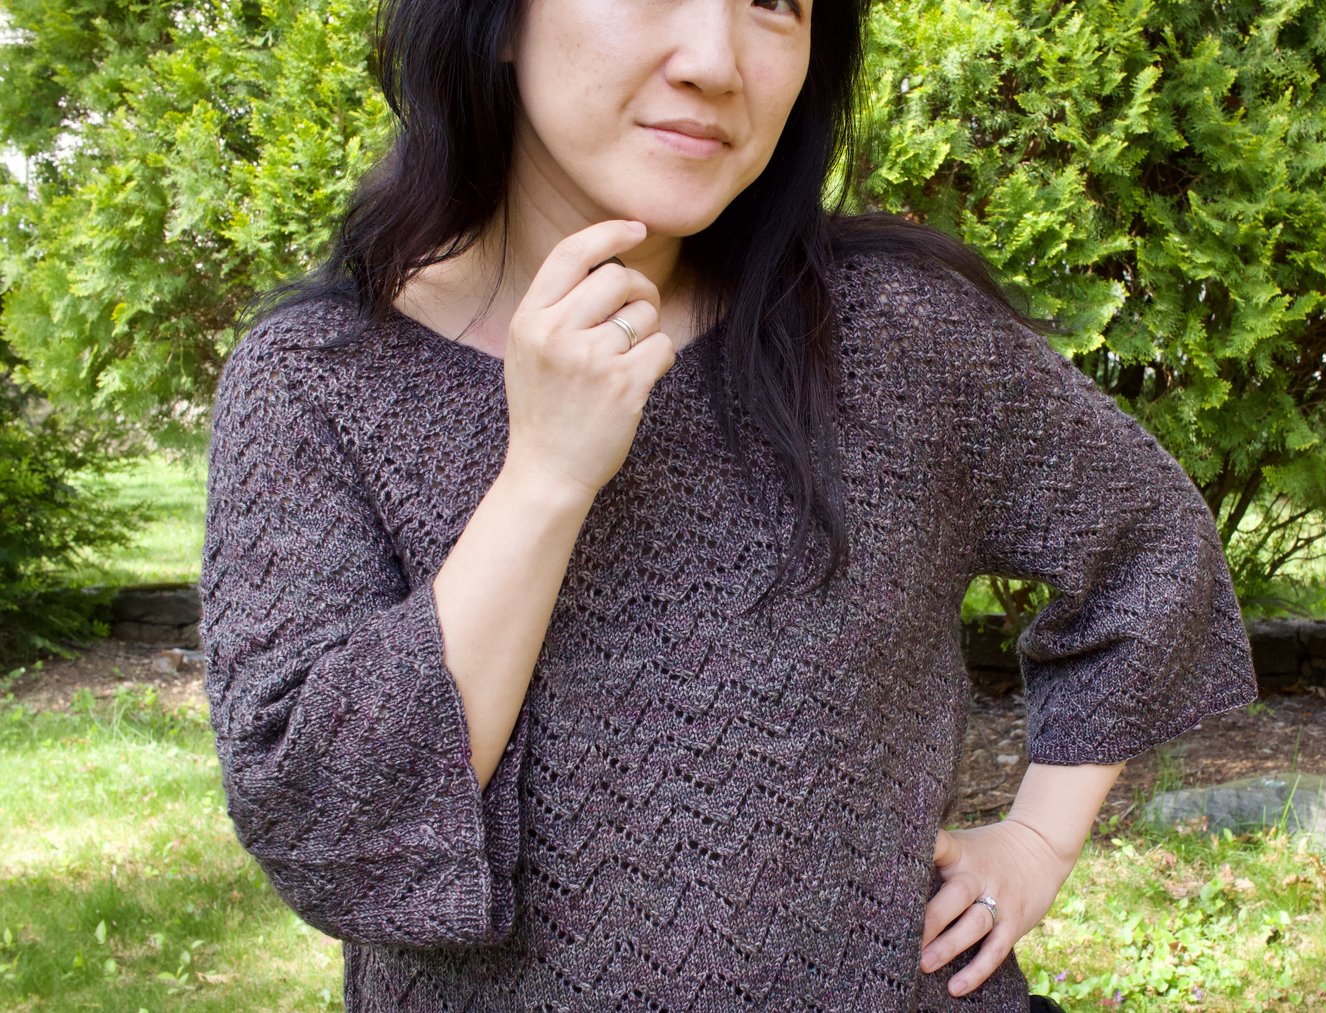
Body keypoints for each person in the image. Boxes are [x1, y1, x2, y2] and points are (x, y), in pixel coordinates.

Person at [198, 0, 1260, 1008]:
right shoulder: (319, 382)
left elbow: (1149, 547)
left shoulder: (894, 337)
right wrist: (544, 477)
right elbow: (327, 825)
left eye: (775, 3)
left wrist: (1034, 841)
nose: (716, 60)